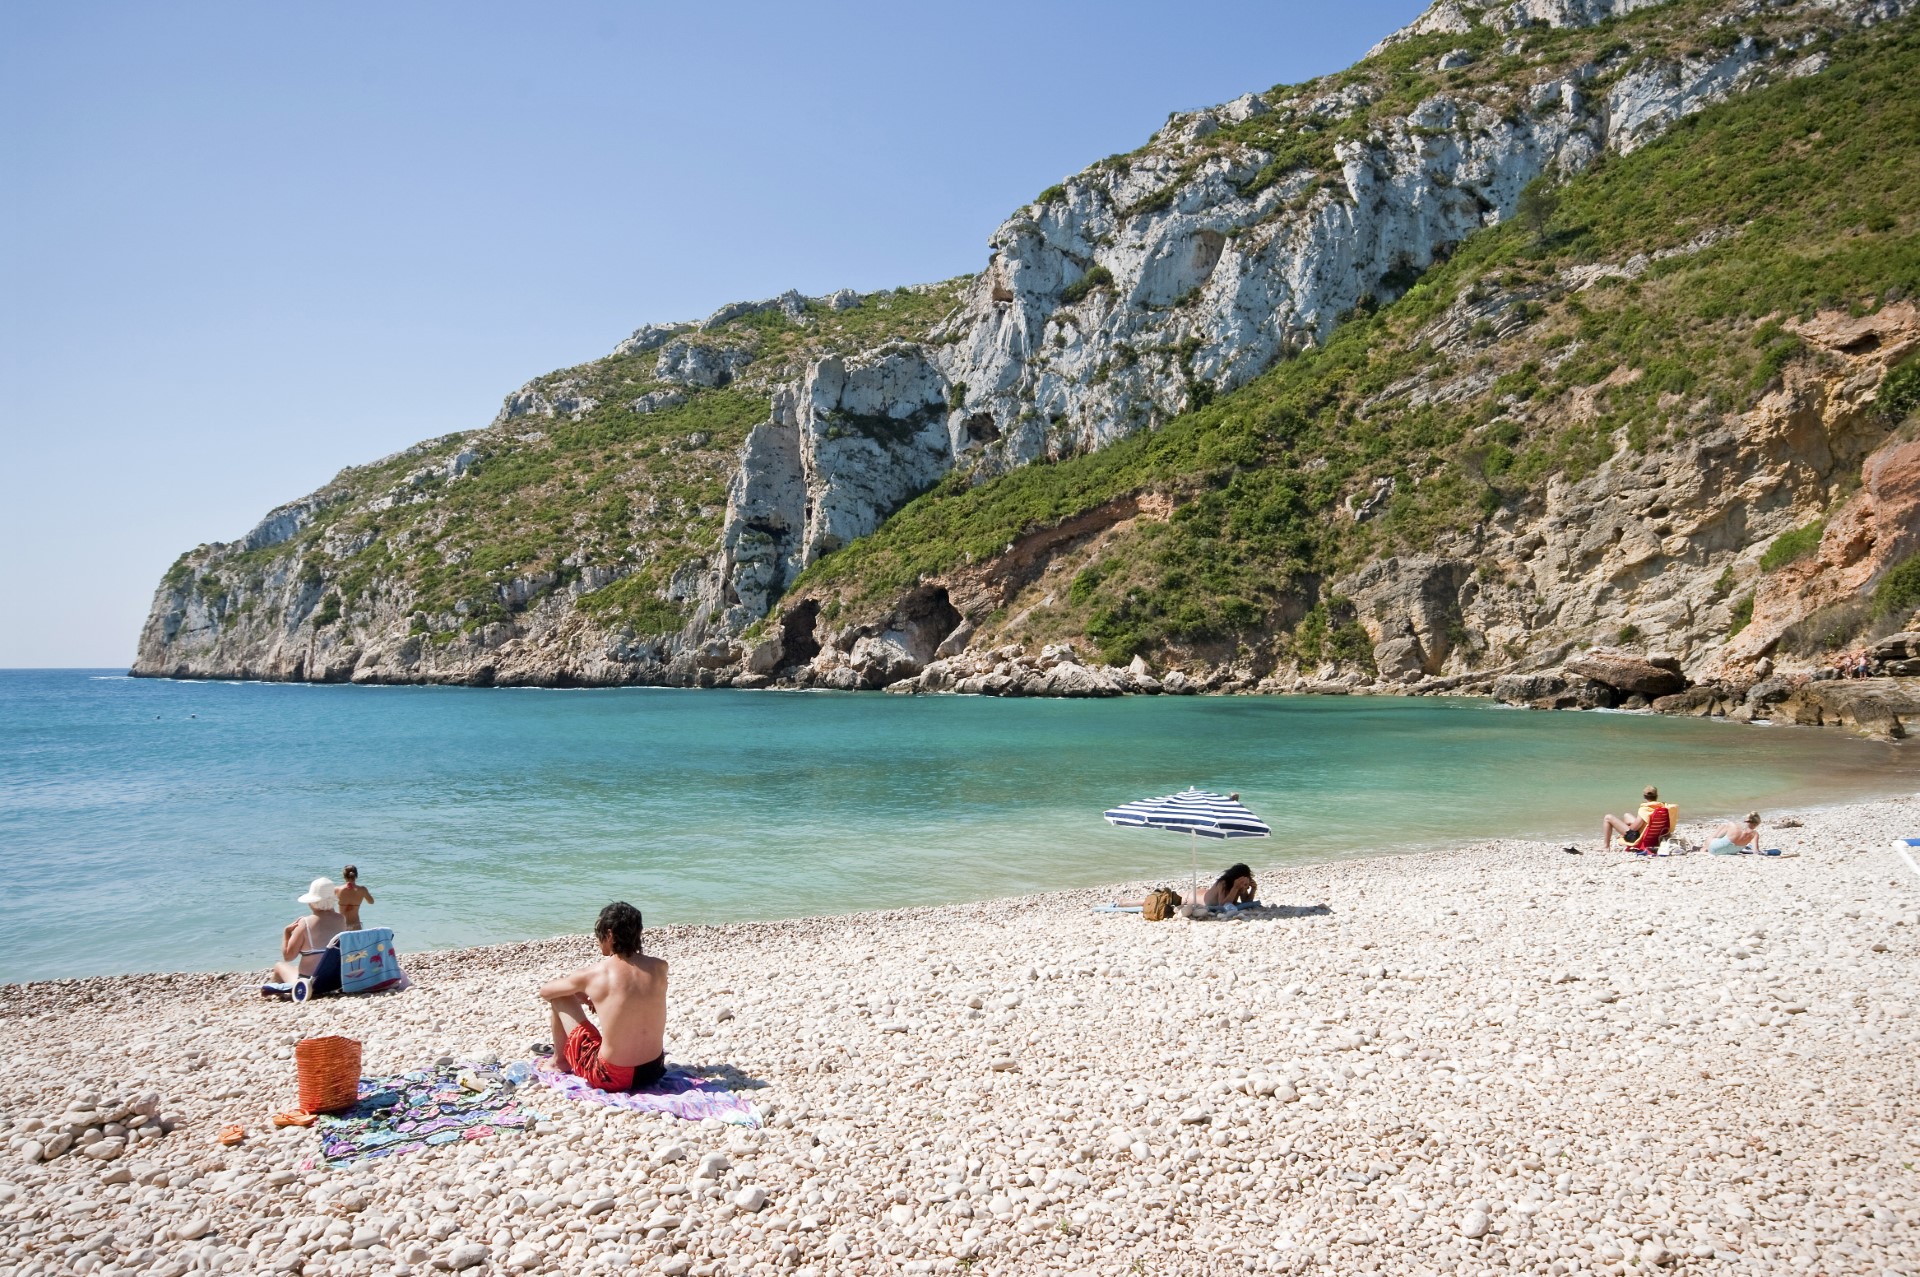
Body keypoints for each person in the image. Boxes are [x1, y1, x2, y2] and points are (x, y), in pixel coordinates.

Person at [538, 902, 668, 1092]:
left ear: (609, 935)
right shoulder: (660, 967)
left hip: (611, 1077)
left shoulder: (595, 974)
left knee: (560, 998)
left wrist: (578, 992)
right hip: (653, 1070)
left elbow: (546, 992)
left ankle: (559, 1062)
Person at [273, 877, 348, 983]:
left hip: (309, 983)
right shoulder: (341, 919)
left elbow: (288, 956)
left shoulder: (305, 924)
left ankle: (272, 993)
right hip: (334, 980)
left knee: (279, 966)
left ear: (312, 902)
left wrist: (287, 933)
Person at [1602, 786, 1672, 850]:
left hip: (1637, 837)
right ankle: (1622, 833)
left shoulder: (1645, 809)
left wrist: (1625, 828)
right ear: (1656, 796)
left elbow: (1634, 828)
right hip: (1655, 836)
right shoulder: (1662, 807)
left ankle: (1606, 846)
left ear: (1644, 796)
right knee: (1627, 815)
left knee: (1608, 817)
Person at [336, 864, 374, 930]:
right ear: (356, 876)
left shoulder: (337, 890)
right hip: (356, 925)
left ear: (344, 876)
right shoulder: (362, 890)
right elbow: (371, 902)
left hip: (342, 925)